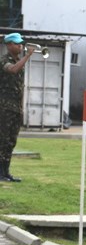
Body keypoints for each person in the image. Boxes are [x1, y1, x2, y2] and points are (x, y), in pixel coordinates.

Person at [0, 33, 35, 182]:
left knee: (11, 141)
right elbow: (13, 70)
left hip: (16, 108)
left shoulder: (18, 61)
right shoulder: (4, 60)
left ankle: (6, 172)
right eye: (17, 43)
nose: (20, 46)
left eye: (21, 43)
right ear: (9, 45)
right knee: (2, 140)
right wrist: (27, 56)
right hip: (4, 108)